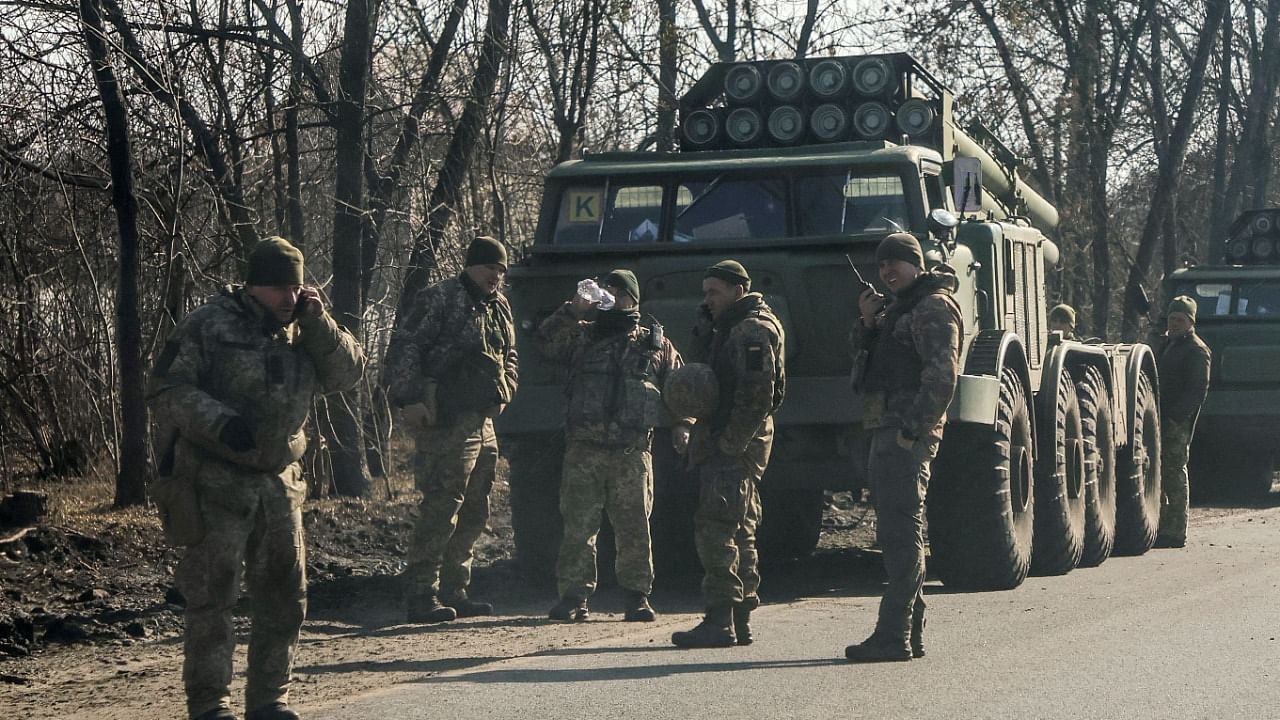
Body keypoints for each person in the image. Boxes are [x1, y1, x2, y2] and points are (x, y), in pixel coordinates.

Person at [147, 236, 366, 720]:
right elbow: (165, 389)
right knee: (212, 599)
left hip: (279, 483)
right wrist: (220, 422)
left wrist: (319, 323)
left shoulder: (306, 328)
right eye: (279, 289)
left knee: (286, 598)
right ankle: (210, 706)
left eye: (296, 287)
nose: (289, 298)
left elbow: (350, 372)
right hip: (213, 479)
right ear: (253, 287)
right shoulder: (208, 324)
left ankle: (270, 700)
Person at [534, 269, 688, 622]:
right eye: (609, 291)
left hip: (631, 452)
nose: (612, 298)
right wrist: (574, 309)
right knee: (578, 527)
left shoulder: (655, 343)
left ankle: (637, 597)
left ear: (633, 299)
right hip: (584, 449)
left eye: (619, 293)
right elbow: (543, 343)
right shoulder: (581, 336)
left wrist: (683, 425)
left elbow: (678, 388)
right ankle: (574, 597)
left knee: (635, 527)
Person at [382, 236, 519, 622]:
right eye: (490, 267)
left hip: (483, 422)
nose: (496, 275)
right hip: (444, 420)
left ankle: (455, 590)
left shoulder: (500, 307)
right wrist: (409, 399)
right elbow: (406, 346)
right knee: (443, 507)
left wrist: (505, 391)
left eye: (501, 270)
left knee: (476, 508)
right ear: (472, 265)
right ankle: (421, 595)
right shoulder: (438, 298)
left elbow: (510, 355)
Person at [845, 232, 962, 663]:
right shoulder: (902, 308)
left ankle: (893, 633)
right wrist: (868, 324)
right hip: (889, 428)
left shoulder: (931, 307)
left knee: (899, 532)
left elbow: (941, 377)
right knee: (897, 529)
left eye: (896, 263)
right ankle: (907, 633)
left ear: (916, 264)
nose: (887, 271)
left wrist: (912, 430)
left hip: (904, 432)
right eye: (881, 265)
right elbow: (866, 369)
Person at [671, 260, 785, 649]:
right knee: (740, 527)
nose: (707, 299)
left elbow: (757, 396)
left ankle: (720, 619)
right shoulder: (728, 327)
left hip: (736, 442)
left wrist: (729, 445)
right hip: (732, 439)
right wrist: (704, 326)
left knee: (716, 529)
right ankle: (739, 618)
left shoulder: (752, 330)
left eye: (713, 292)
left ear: (737, 290)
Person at [1154, 295, 1211, 548]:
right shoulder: (1168, 344)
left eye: (1179, 319)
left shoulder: (1197, 350)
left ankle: (1176, 531)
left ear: (1190, 322)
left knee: (1175, 473)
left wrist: (1176, 418)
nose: (1174, 323)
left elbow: (1197, 390)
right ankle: (1163, 526)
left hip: (1176, 422)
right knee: (1161, 473)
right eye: (1171, 319)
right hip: (1160, 418)